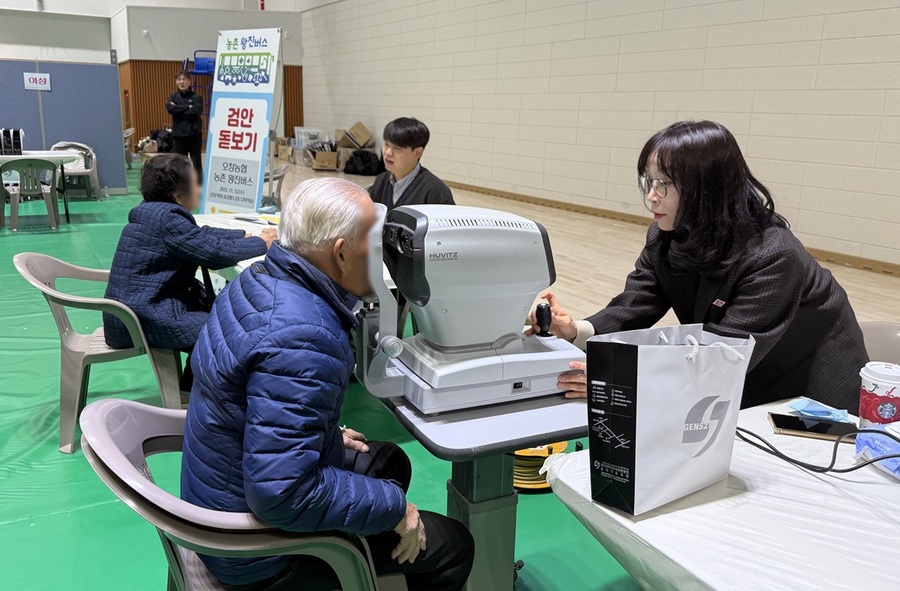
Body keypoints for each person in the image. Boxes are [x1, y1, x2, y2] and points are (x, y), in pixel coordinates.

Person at [180, 177, 475, 591]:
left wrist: (318, 431)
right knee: (454, 546)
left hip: (219, 489)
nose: (385, 261)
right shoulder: (305, 333)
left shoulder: (259, 281)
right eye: (375, 247)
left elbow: (256, 396)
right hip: (254, 553)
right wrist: (396, 511)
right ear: (340, 254)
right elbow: (282, 493)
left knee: (388, 462)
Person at [533, 120, 868, 412]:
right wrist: (576, 330)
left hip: (810, 395)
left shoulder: (773, 256)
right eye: (648, 182)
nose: (652, 196)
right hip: (737, 383)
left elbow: (721, 357)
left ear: (706, 190)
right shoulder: (667, 233)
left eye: (664, 184)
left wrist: (623, 379)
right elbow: (638, 302)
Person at [104, 154, 276, 389]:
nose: (199, 189)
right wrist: (262, 244)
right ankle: (203, 394)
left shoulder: (154, 213)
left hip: (130, 313)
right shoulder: (168, 220)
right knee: (228, 328)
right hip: (142, 317)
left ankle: (190, 388)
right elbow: (214, 254)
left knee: (219, 318)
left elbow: (199, 235)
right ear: (177, 195)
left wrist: (244, 235)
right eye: (195, 183)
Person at [368, 117, 454, 211]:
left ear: (417, 153)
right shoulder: (381, 181)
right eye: (386, 144)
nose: (388, 152)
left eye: (397, 148)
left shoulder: (436, 192)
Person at [167, 71, 205, 183]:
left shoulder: (196, 97)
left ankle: (199, 186)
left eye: (184, 79)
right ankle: (180, 186)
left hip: (194, 135)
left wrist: (178, 109)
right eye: (179, 79)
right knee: (178, 164)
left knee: (196, 163)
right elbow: (170, 109)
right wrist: (187, 107)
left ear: (189, 81)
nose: (181, 82)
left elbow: (196, 111)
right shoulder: (173, 96)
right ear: (176, 82)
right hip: (178, 136)